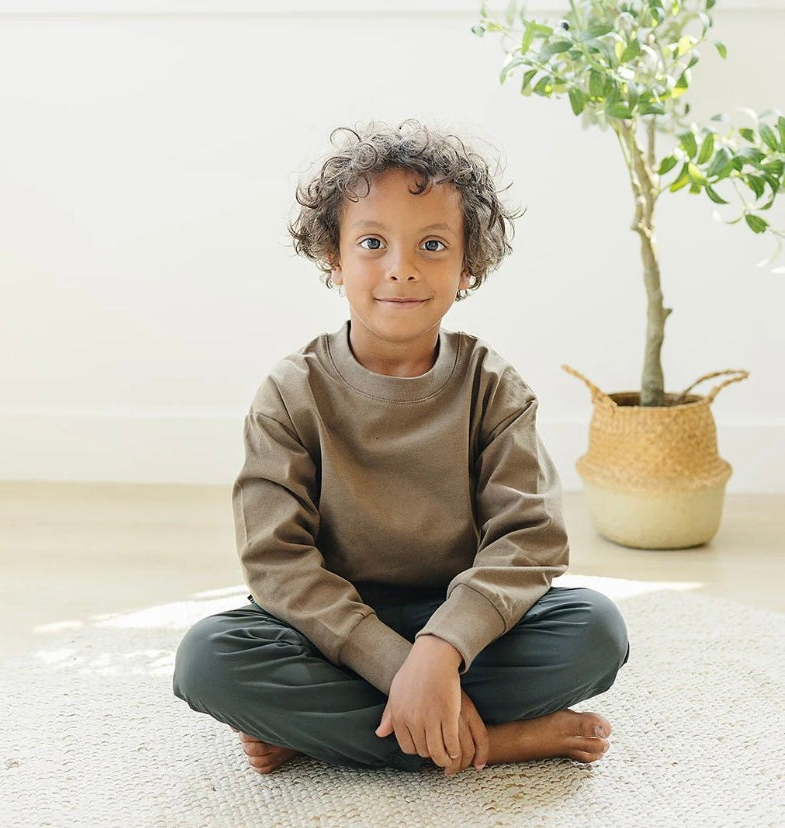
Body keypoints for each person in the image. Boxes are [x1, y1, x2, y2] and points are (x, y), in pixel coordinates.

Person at [173, 119, 630, 777]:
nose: (401, 269)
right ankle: (497, 741)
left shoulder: (492, 388)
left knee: (595, 631)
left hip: (466, 622)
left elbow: (529, 541)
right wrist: (395, 665)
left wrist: (440, 651)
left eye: (433, 244)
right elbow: (277, 564)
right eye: (372, 242)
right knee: (210, 659)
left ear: (468, 265)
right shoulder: (290, 392)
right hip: (336, 630)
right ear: (334, 258)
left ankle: (332, 734)